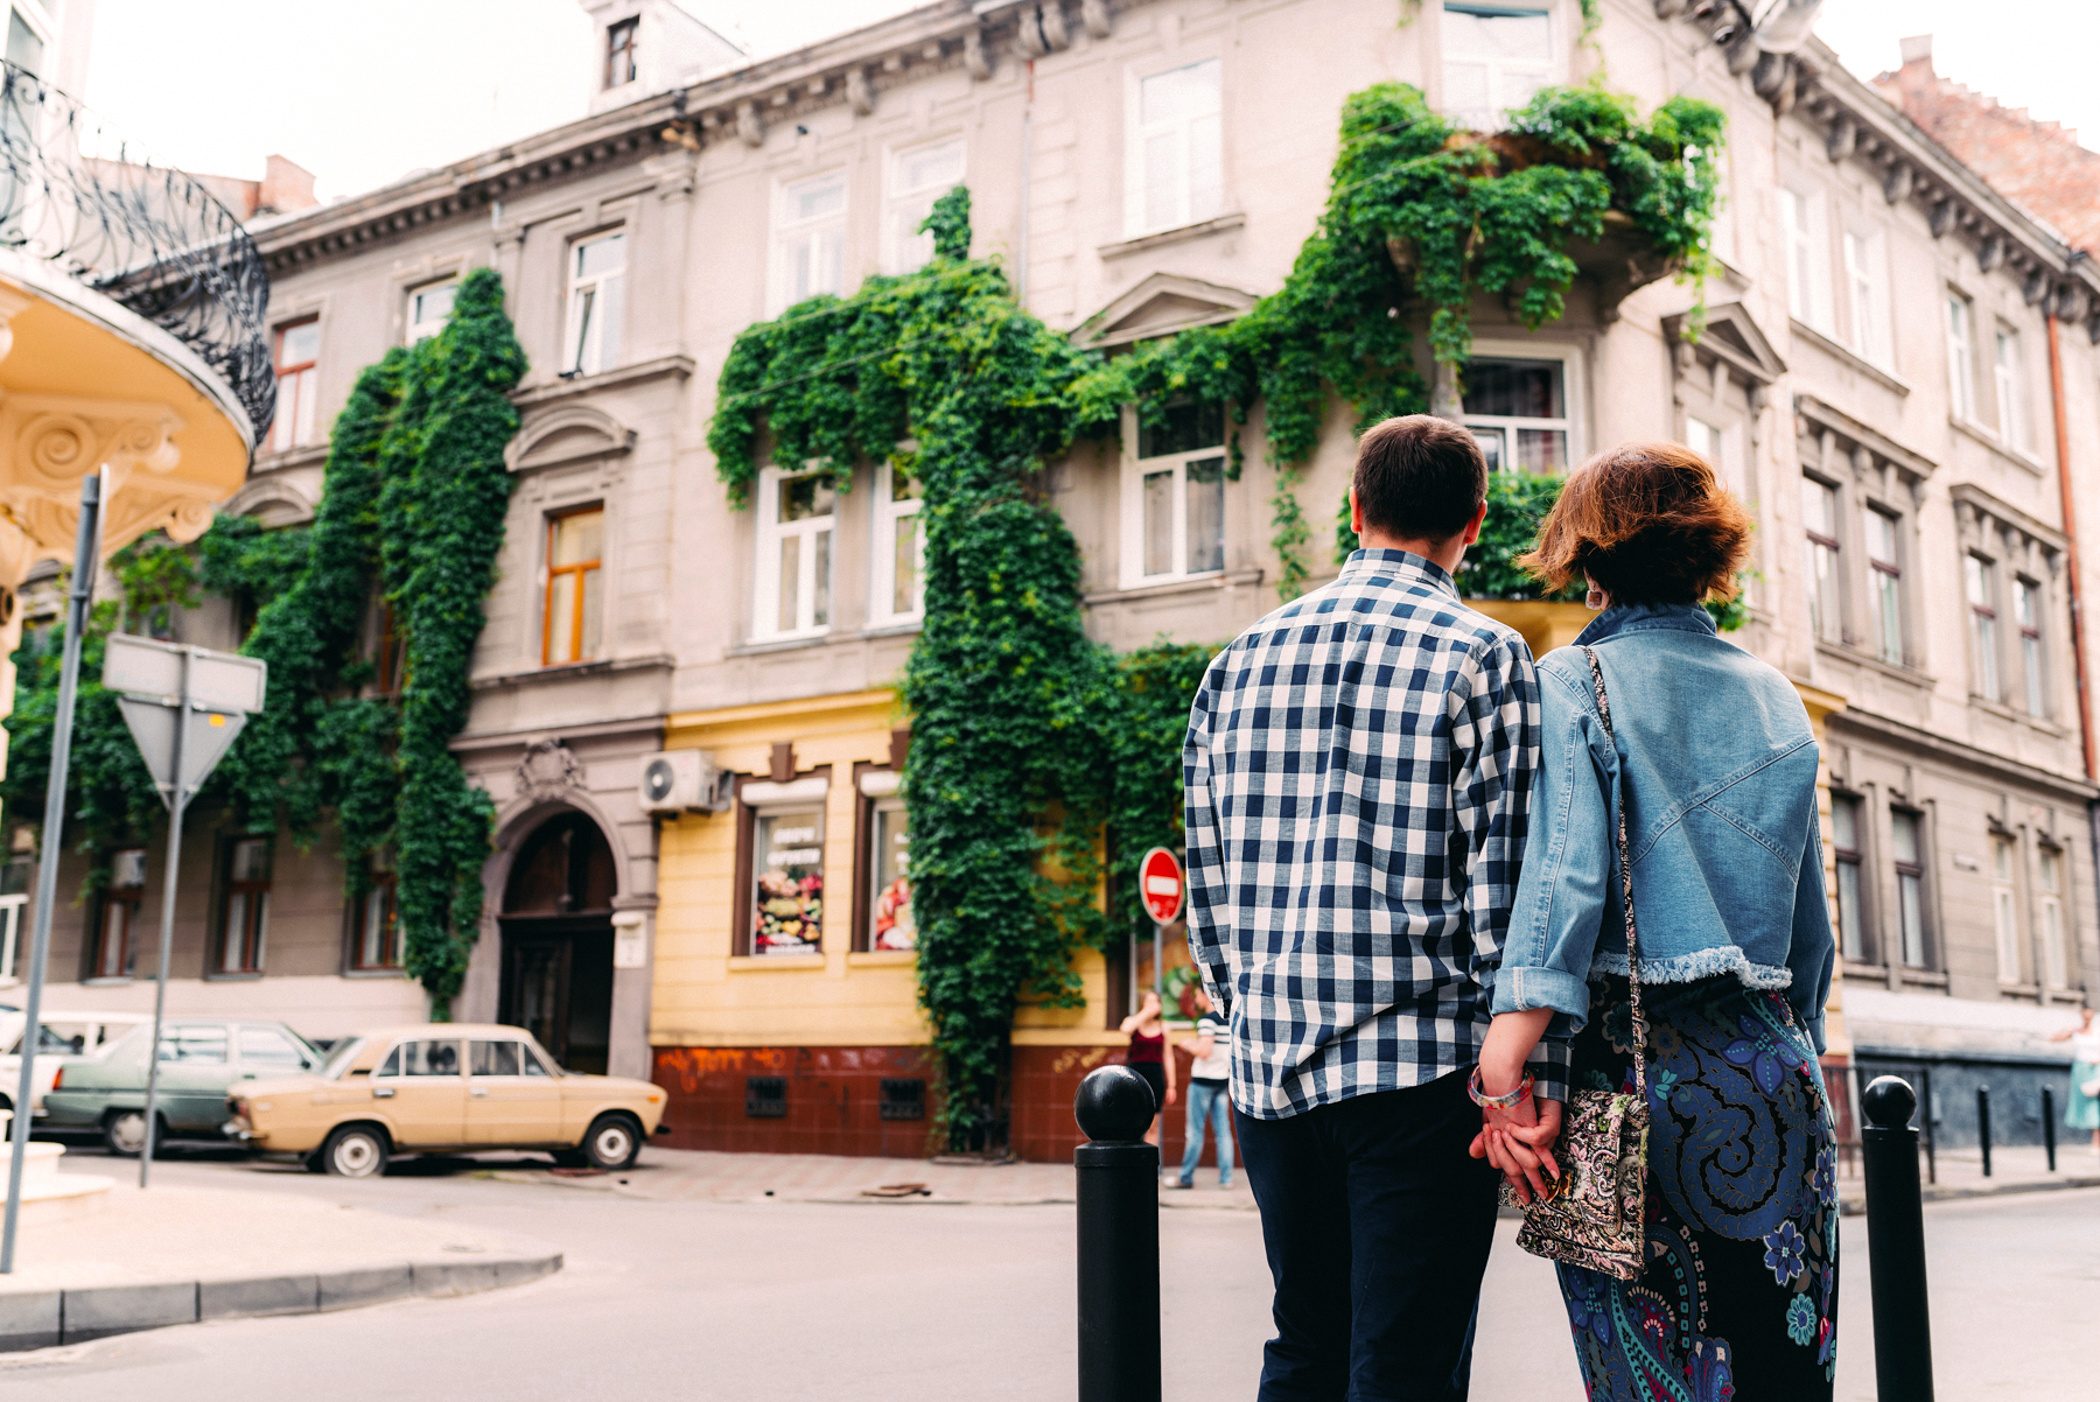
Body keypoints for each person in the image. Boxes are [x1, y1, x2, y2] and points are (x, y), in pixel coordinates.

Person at [1183, 414, 1565, 1401]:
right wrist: (1523, 1082)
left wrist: (1246, 1011)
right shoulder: (1486, 657)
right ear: (1473, 523)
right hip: (1419, 1083)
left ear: (1356, 510)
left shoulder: (1237, 661)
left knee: (1304, 1345)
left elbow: (1208, 881)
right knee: (1404, 1364)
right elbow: (1508, 891)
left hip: (1273, 1079)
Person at [1476, 442, 1839, 1400]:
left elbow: (1566, 876)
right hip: (1778, 1072)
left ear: (1586, 560)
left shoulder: (1572, 684)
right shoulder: (1777, 697)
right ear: (1705, 557)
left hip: (1638, 1086)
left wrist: (1506, 1058)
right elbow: (1811, 936)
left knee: (1649, 1375)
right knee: (1781, 1370)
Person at [1167, 985, 1233, 1189]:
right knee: (1223, 1132)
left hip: (1203, 1082)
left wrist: (1188, 1045)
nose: (1196, 1000)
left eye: (1197, 996)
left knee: (1195, 1132)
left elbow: (1204, 1051)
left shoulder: (1207, 1020)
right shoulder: (1228, 1020)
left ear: (1207, 996)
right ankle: (1226, 1179)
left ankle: (1185, 1177)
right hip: (1222, 1081)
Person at [1119, 989, 1175, 1147]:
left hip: (1155, 1075)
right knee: (1131, 1122)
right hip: (1133, 1075)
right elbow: (1125, 1029)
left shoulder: (1164, 1026)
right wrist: (1145, 1013)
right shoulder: (1134, 1022)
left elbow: (1168, 1056)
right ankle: (1130, 1166)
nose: (1153, 1005)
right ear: (1142, 1005)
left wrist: (1172, 1085)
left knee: (1152, 1125)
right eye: (1149, 1002)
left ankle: (1149, 1166)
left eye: (1156, 1001)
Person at [2049, 1003, 2100, 1156]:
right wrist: (2068, 1030)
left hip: (2096, 1070)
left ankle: (2096, 1142)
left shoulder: (2097, 1032)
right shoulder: (2076, 1032)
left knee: (2093, 1104)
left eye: (2089, 1014)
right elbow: (2054, 1039)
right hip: (2080, 1070)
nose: (2086, 1017)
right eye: (2084, 1014)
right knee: (2084, 1104)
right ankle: (2095, 1141)